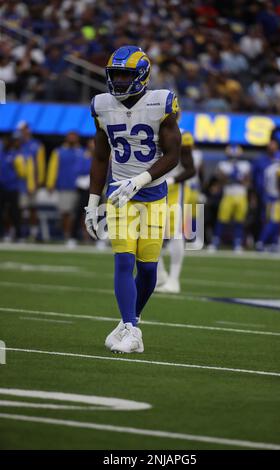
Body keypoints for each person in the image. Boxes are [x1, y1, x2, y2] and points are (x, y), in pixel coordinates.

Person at [84, 45, 181, 353]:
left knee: (149, 268)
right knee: (123, 260)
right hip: (118, 196)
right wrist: (92, 202)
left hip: (152, 194)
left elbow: (174, 154)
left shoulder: (160, 103)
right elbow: (100, 157)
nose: (120, 82)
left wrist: (140, 179)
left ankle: (130, 321)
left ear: (141, 76)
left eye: (126, 76)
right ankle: (131, 329)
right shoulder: (101, 105)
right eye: (116, 76)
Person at [156, 128, 195, 294]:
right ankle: (159, 275)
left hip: (173, 191)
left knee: (175, 234)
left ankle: (173, 280)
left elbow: (191, 169)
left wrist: (172, 180)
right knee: (148, 232)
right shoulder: (149, 126)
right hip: (151, 186)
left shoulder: (182, 134)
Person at [209, 145, 251, 252]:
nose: (233, 157)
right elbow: (220, 179)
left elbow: (247, 182)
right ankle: (216, 242)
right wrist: (233, 177)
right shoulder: (223, 165)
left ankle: (237, 243)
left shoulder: (245, 165)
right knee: (222, 219)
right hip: (228, 194)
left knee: (239, 220)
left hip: (241, 195)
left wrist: (232, 177)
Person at [46, 131, 86, 243]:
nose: (72, 139)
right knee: (65, 212)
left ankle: (82, 236)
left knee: (81, 213)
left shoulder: (83, 152)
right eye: (70, 137)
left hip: (81, 187)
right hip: (64, 186)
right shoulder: (59, 151)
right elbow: (53, 168)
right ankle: (67, 235)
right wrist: (50, 183)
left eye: (74, 136)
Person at [256, 143, 280, 251]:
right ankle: (261, 241)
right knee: (274, 222)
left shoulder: (269, 168)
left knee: (273, 221)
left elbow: (264, 184)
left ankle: (273, 243)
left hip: (268, 196)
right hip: (276, 198)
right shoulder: (279, 169)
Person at [17, 120, 46, 240]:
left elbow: (40, 165)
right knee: (19, 209)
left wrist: (39, 181)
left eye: (24, 129)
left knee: (33, 208)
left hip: (31, 183)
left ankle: (33, 233)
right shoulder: (17, 144)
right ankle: (20, 233)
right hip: (17, 183)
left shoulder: (36, 145)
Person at [0, 134, 26, 241]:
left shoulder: (17, 155)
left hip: (13, 187)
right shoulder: (2, 154)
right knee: (1, 212)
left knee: (14, 212)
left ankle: (18, 235)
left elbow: (22, 172)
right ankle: (2, 234)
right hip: (1, 187)